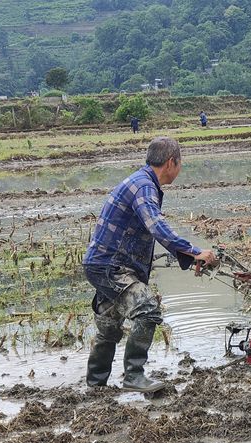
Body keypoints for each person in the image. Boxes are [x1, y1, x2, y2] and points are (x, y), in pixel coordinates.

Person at [82, 137, 217, 392]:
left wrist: (186, 257)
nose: (179, 169)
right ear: (171, 162)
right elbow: (156, 226)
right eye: (180, 164)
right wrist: (194, 251)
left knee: (110, 327)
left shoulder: (139, 180)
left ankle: (95, 385)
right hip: (112, 266)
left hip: (102, 264)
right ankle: (134, 375)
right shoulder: (144, 186)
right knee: (148, 309)